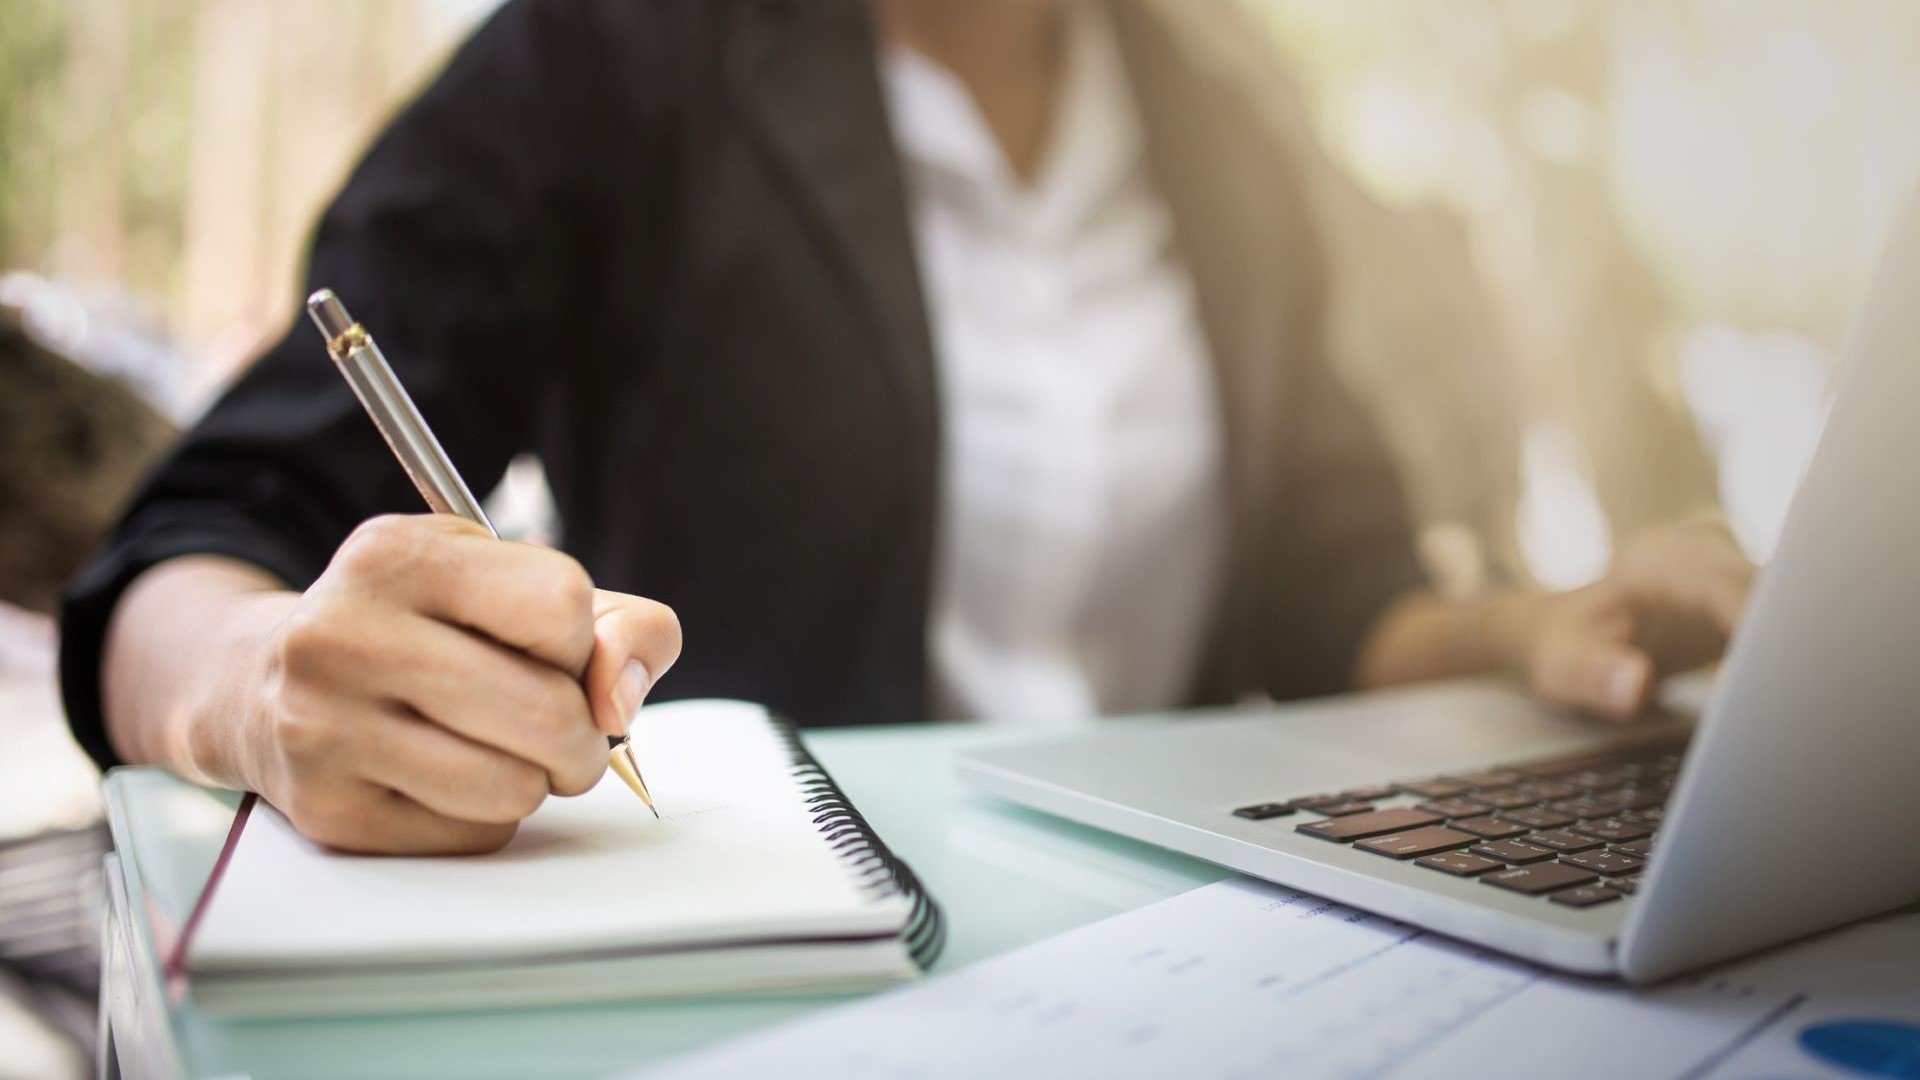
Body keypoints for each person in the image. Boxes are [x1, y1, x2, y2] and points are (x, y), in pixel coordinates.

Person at [60, 0, 1755, 855]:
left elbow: (1335, 587)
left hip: (1163, 952)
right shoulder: (615, 58)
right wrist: (257, 694)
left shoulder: (1225, 120)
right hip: (758, 946)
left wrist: (1530, 634)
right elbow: (194, 545)